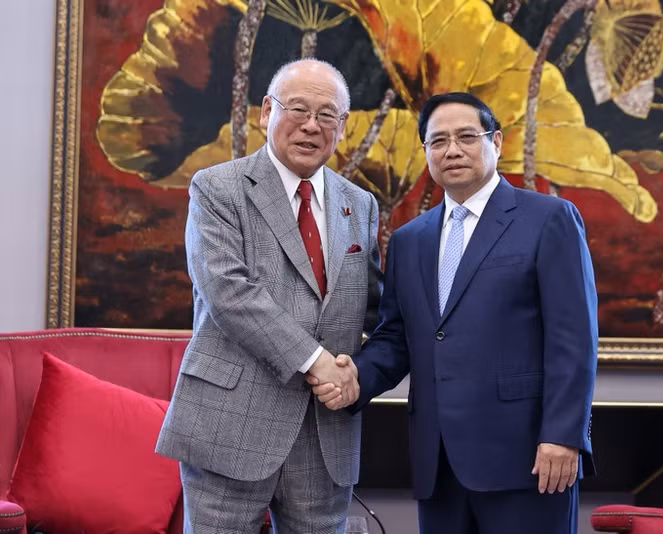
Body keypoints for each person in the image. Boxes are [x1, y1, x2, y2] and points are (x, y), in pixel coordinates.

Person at [311, 92, 598, 533]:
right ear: (426, 151)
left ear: (496, 142)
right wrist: (354, 380)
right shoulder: (410, 240)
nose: (453, 150)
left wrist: (563, 435)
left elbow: (574, 339)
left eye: (467, 136)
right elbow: (396, 338)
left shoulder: (549, 219)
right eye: (438, 140)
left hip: (528, 458)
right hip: (438, 460)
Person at [156, 58, 382, 534]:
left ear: (342, 127)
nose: (310, 125)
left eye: (327, 115)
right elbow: (229, 292)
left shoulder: (360, 205)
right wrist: (318, 361)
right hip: (230, 423)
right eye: (297, 108)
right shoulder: (217, 188)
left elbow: (377, 308)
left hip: (325, 432)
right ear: (265, 112)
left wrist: (361, 372)